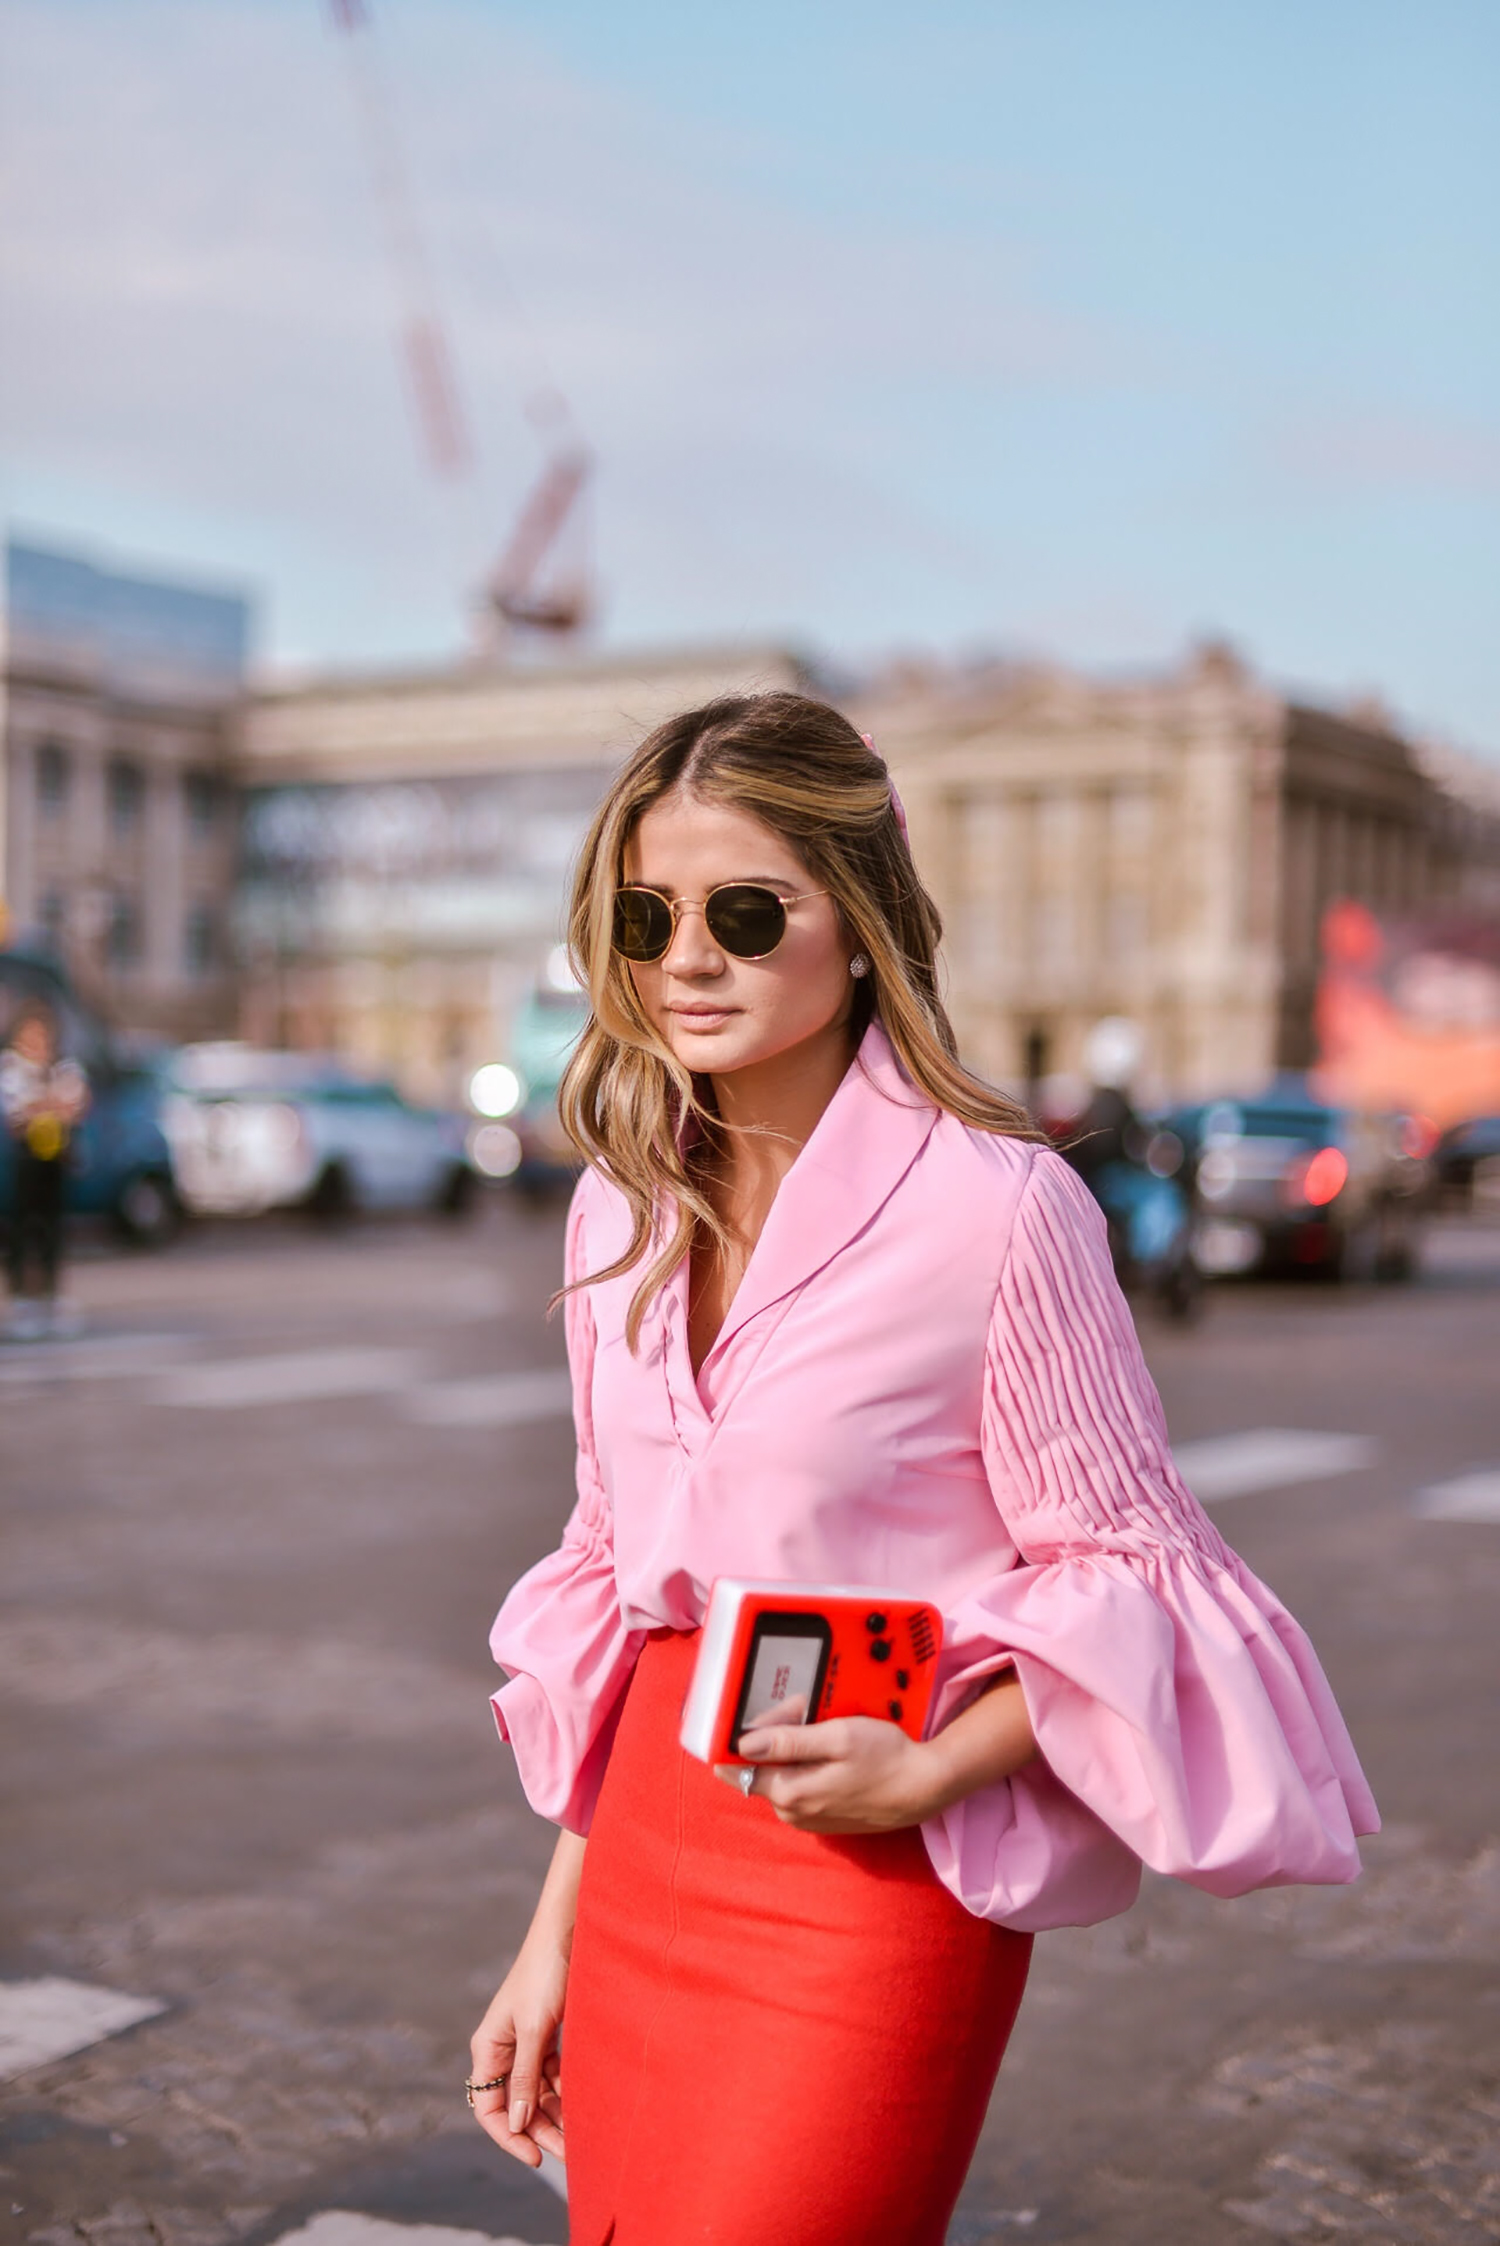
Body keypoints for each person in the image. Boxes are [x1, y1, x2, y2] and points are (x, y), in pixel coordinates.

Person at [470, 693, 1377, 2245]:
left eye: (746, 913)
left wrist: (935, 1764)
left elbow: (1132, 1578)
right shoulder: (612, 1216)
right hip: (643, 1871)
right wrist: (549, 1934)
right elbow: (626, 1603)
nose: (686, 956)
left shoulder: (1001, 1209)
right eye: (646, 914)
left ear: (861, 920)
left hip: (874, 1881)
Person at [1, 1003, 89, 1340]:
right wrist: (50, 1103)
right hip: (24, 1159)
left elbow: (76, 1104)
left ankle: (51, 1297)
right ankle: (24, 1298)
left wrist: (42, 1103)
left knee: (53, 1228)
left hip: (57, 1156)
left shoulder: (63, 1066)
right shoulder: (11, 1066)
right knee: (23, 1227)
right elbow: (16, 1112)